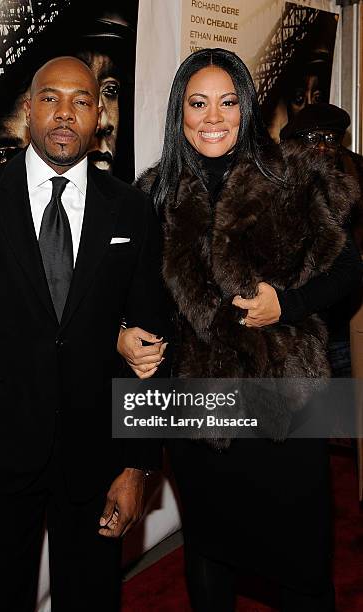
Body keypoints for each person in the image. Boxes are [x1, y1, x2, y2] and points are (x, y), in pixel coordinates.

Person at [0, 56, 168, 611]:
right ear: (28, 109)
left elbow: (150, 348)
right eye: (50, 98)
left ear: (98, 114)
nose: (64, 113)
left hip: (96, 461)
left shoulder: (132, 210)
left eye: (81, 100)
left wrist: (136, 465)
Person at [118, 48, 361, 611]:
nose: (212, 117)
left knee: (302, 562)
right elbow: (132, 297)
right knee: (209, 549)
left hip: (285, 400)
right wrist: (124, 333)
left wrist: (289, 304)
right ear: (179, 112)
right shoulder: (154, 195)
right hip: (195, 408)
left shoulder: (290, 178)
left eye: (227, 103)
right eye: (197, 103)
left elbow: (348, 267)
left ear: (247, 108)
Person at [280, 102, 363, 378]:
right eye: (314, 138)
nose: (324, 147)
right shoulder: (276, 183)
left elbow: (349, 264)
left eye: (331, 139)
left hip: (337, 322)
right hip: (290, 329)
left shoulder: (350, 178)